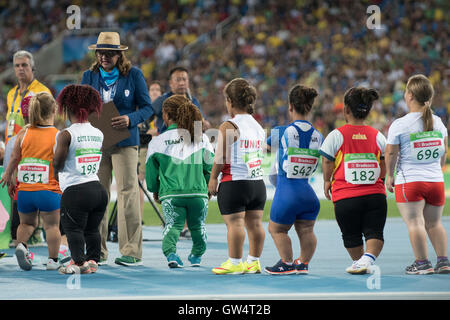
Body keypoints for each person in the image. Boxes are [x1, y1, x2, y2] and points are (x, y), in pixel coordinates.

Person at [81, 31, 154, 266]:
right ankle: (96, 251)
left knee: (128, 195)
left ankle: (131, 251)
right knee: (96, 196)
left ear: (119, 55)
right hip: (96, 144)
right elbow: (81, 107)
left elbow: (147, 108)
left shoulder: (133, 75)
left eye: (110, 53)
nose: (104, 56)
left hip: (125, 142)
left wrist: (130, 119)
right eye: (101, 52)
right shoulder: (89, 76)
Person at [385, 74, 449, 275]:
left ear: (410, 95)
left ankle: (422, 263)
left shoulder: (400, 124)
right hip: (436, 182)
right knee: (434, 223)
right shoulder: (438, 122)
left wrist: (389, 174)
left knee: (415, 223)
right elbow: (443, 152)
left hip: (410, 182)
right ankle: (443, 261)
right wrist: (436, 169)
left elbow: (391, 152)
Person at [320, 87, 387, 274]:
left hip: (345, 197)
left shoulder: (336, 135)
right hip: (375, 196)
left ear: (346, 110)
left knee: (350, 237)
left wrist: (326, 181)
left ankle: (361, 261)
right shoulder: (378, 135)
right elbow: (384, 163)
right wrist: (380, 177)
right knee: (375, 233)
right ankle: (365, 260)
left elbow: (326, 160)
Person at [146, 95, 214, 268]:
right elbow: (209, 167)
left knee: (173, 226)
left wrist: (155, 190)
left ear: (166, 115)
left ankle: (171, 255)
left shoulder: (157, 142)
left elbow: (151, 176)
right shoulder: (201, 138)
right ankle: (197, 256)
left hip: (171, 195)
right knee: (198, 227)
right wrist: (207, 188)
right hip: (198, 193)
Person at [209, 78, 266, 275]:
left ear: (230, 101)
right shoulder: (259, 127)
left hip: (234, 183)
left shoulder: (229, 126)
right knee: (256, 224)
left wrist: (213, 179)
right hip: (257, 185)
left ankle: (234, 262)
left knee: (235, 223)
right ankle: (254, 261)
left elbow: (220, 157)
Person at [264, 85, 323, 275]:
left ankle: (287, 263)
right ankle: (303, 263)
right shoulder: (318, 135)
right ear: (310, 107)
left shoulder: (280, 131)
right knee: (306, 230)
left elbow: (265, 151)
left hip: (287, 191)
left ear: (290, 106)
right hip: (308, 193)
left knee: (277, 230)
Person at [0, 92, 62, 271]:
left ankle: (21, 246)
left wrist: (7, 175)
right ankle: (53, 260)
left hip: (25, 191)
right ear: (53, 110)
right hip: (49, 190)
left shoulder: (23, 133)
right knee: (51, 226)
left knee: (26, 224)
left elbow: (13, 157)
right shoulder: (57, 135)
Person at [52, 84, 108, 274]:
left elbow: (58, 162)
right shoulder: (99, 133)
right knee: (92, 229)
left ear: (67, 108)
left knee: (73, 229)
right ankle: (93, 260)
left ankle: (78, 262)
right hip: (97, 189)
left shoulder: (66, 134)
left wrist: (55, 172)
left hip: (75, 189)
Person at [5, 50, 52, 145]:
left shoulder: (42, 92)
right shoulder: (11, 93)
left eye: (24, 65)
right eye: (17, 66)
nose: (20, 68)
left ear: (32, 68)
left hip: (31, 146)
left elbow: (48, 123)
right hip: (11, 147)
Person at [138, 81, 162, 223]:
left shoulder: (163, 109)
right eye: (151, 89)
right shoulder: (145, 110)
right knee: (139, 183)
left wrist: (152, 131)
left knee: (165, 184)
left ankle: (171, 220)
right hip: (145, 149)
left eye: (157, 89)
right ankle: (139, 218)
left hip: (161, 150)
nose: (154, 92)